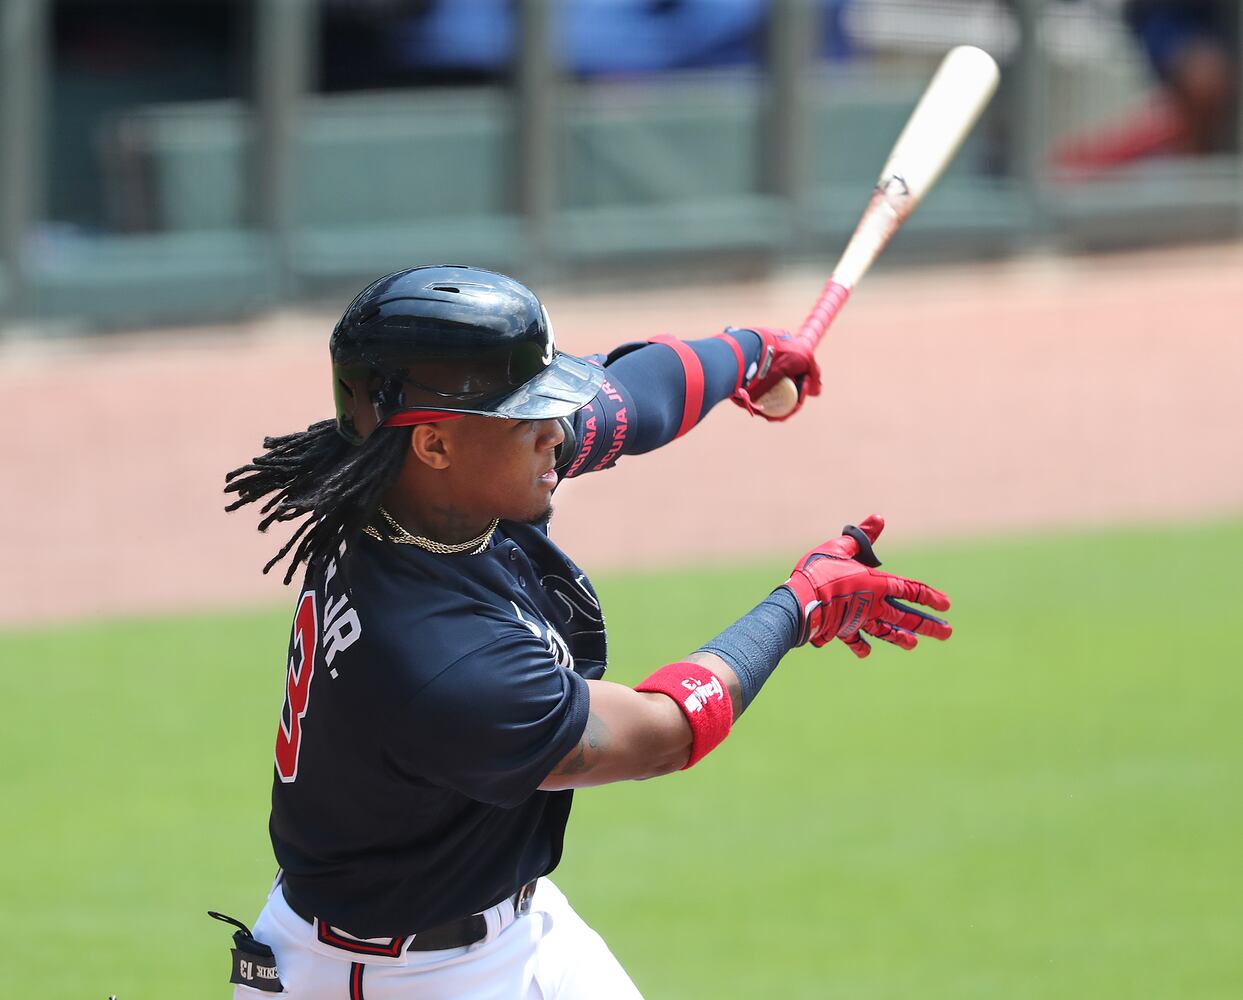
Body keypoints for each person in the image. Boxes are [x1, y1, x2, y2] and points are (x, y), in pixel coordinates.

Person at [218, 265, 953, 999]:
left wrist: (749, 352)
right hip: (392, 979)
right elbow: (660, 734)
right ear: (435, 445)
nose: (555, 433)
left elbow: (634, 394)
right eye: (527, 416)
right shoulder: (441, 657)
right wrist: (801, 606)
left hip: (516, 926)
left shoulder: (416, 484)